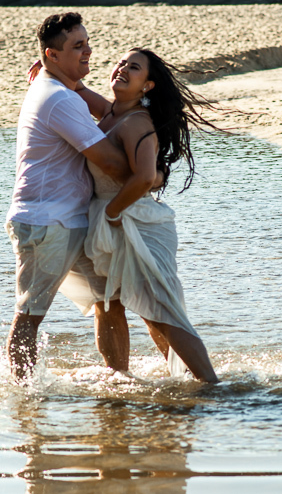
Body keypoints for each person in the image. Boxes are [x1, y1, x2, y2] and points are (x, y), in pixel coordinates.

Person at [64, 48, 221, 383]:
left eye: (133, 67)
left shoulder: (136, 122)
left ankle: (212, 387)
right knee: (109, 303)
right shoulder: (111, 112)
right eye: (121, 63)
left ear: (147, 86)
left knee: (161, 311)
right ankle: (126, 377)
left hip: (134, 219)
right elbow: (79, 90)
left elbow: (146, 178)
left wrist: (111, 214)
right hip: (115, 217)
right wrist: (50, 69)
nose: (122, 68)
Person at [6, 12, 134, 382]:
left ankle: (117, 381)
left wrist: (75, 83)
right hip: (47, 223)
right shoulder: (58, 98)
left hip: (73, 219)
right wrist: (149, 175)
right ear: (52, 54)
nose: (88, 51)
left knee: (110, 300)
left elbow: (108, 112)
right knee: (30, 315)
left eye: (88, 43)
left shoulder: (59, 89)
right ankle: (24, 398)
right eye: (78, 46)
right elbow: (111, 163)